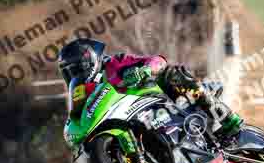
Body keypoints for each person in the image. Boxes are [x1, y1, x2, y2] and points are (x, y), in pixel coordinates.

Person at [57, 38, 244, 146]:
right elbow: (78, 122)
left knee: (171, 74)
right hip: (132, 124)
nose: (76, 75)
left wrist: (145, 69)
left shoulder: (114, 64)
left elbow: (158, 61)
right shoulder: (83, 94)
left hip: (161, 101)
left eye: (77, 68)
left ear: (90, 60)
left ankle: (227, 119)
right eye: (70, 72)